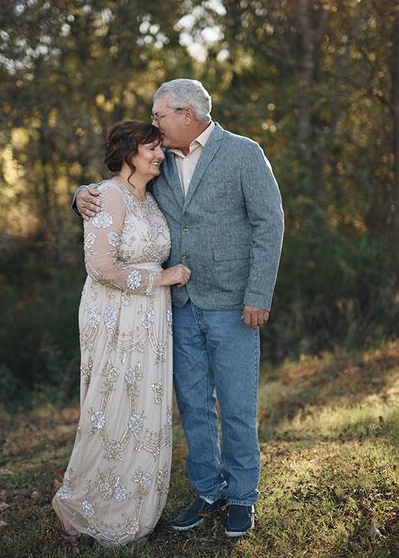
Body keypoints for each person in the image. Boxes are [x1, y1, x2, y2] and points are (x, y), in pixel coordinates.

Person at [75, 79, 284, 538]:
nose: (154, 123)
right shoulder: (161, 157)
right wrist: (81, 194)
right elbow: (121, 187)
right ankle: (207, 491)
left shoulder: (244, 153)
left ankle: (242, 496)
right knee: (193, 405)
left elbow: (270, 223)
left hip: (233, 304)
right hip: (177, 306)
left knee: (236, 404)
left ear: (186, 114)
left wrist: (258, 294)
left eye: (159, 115)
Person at [53, 120, 191, 547]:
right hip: (113, 314)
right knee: (110, 405)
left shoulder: (149, 201)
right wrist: (162, 279)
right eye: (151, 148)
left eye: (160, 149)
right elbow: (101, 267)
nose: (159, 155)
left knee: (142, 409)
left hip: (151, 318)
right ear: (128, 152)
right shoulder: (107, 195)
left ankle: (129, 506)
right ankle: (77, 506)